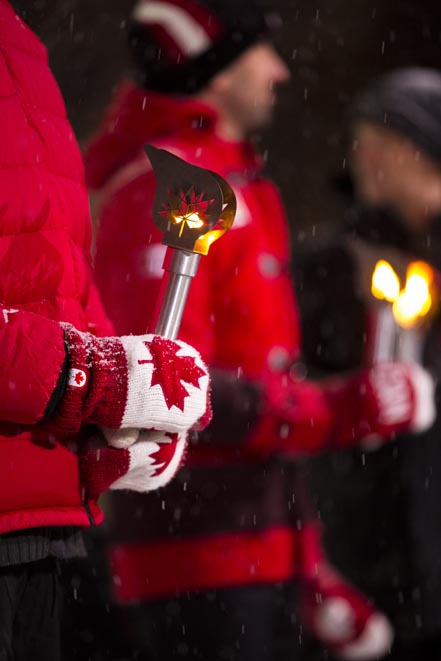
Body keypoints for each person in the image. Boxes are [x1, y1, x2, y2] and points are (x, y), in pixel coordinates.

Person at [86, 3, 435, 659]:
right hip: (198, 570)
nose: (277, 72)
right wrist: (341, 407)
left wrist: (305, 568)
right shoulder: (169, 188)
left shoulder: (235, 183)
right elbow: (167, 388)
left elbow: (253, 382)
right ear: (214, 70)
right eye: (258, 54)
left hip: (251, 562)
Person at [0, 3, 210, 660]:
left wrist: (114, 418)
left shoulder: (19, 43)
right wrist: (83, 376)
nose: (281, 74)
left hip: (40, 521)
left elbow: (51, 266)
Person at [296, 67, 441, 661]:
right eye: (363, 140)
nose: (367, 156)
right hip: (357, 536)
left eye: (389, 141)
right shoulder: (326, 266)